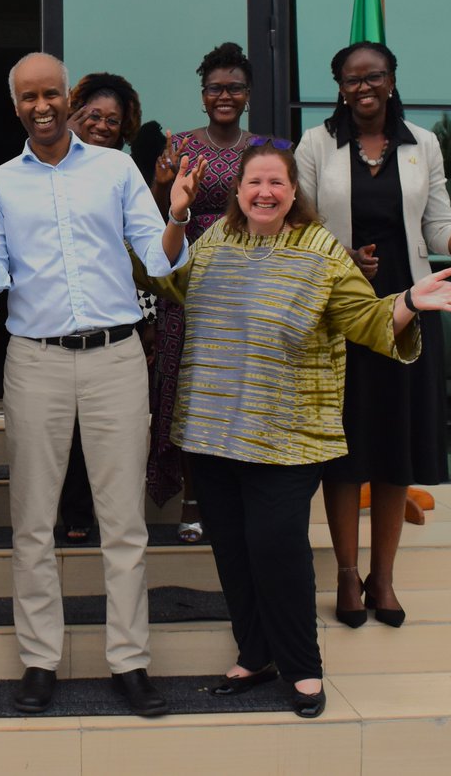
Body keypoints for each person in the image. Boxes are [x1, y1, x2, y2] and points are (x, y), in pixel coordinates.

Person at [135, 138, 451, 718]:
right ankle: (256, 653)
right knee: (235, 549)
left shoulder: (321, 250)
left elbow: (366, 320)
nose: (265, 192)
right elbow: (164, 281)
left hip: (287, 436)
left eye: (276, 183)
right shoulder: (214, 241)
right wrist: (174, 215)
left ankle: (302, 666)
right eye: (254, 183)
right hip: (213, 428)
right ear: (238, 192)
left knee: (279, 550)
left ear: (294, 192)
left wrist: (409, 303)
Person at [0, 52, 191, 718]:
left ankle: (130, 661)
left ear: (69, 98)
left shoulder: (114, 169)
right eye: (29, 97)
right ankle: (39, 659)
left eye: (52, 93)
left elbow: (160, 255)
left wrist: (176, 215)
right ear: (16, 105)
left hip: (114, 358)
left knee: (124, 524)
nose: (42, 105)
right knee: (31, 522)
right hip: (36, 360)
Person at [296, 41, 451, 628]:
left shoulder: (422, 144)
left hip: (410, 309)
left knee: (395, 445)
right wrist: (340, 256)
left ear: (392, 80)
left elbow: (438, 227)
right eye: (351, 78)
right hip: (342, 311)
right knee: (345, 447)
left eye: (374, 76)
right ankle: (347, 575)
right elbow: (299, 227)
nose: (363, 86)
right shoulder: (316, 144)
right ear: (339, 86)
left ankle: (384, 578)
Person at [149, 41, 256, 543]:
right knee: (190, 397)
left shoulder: (268, 149)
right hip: (188, 291)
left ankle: (236, 501)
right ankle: (192, 502)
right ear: (202, 95)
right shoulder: (180, 148)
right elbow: (155, 218)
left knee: (237, 396)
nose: (225, 95)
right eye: (215, 87)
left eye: (234, 86)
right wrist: (161, 183)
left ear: (248, 93)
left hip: (247, 290)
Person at [58, 72, 145, 543]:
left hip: (118, 313)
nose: (102, 125)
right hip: (57, 319)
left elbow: (143, 250)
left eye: (112, 120)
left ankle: (110, 516)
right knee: (68, 429)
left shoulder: (125, 173)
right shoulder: (48, 163)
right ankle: (75, 512)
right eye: (93, 115)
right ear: (74, 114)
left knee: (110, 431)